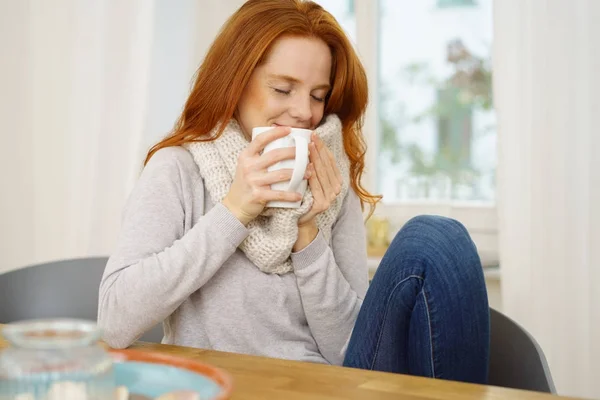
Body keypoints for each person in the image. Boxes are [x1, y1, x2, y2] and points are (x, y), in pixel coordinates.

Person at [98, 0, 490, 384]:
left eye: (318, 95)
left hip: (327, 387)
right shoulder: (179, 169)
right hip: (226, 386)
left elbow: (349, 349)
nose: (305, 112)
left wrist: (308, 234)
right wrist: (233, 210)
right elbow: (115, 322)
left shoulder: (328, 176)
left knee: (437, 238)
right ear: (234, 83)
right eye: (284, 89)